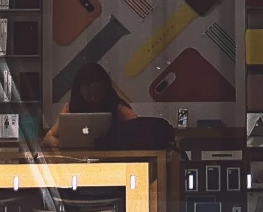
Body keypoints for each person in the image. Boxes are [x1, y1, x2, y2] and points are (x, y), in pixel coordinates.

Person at [42, 61, 175, 151]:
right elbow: (48, 139)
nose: (93, 99)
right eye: (88, 96)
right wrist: (65, 144)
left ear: (105, 90)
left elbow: (139, 130)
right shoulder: (71, 107)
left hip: (113, 161)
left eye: (97, 95)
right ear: (79, 91)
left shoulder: (117, 106)